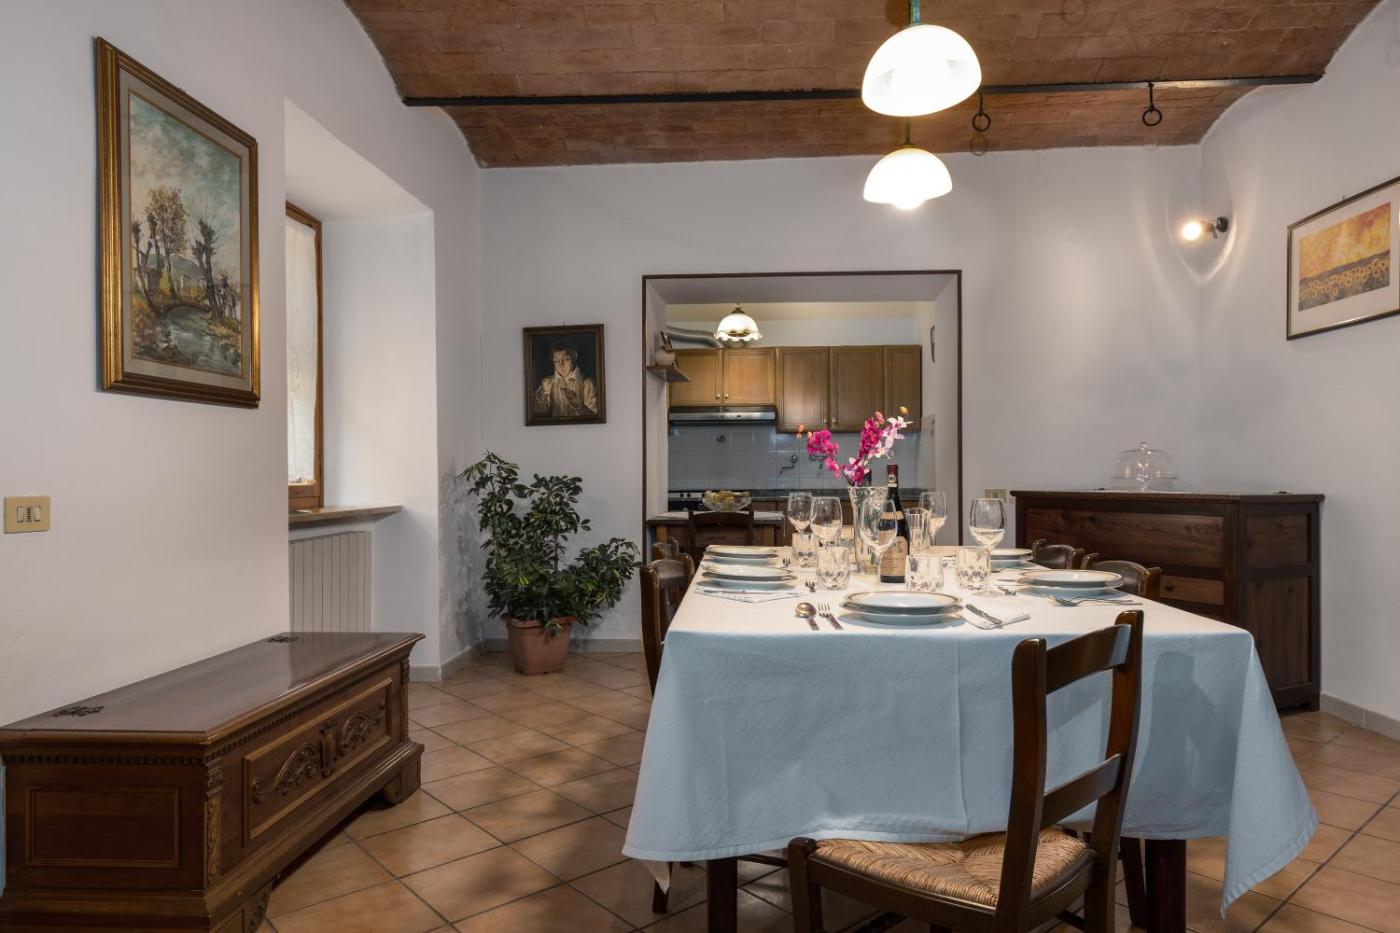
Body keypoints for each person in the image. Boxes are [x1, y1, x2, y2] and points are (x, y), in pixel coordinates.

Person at [533, 341, 598, 417]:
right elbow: (537, 411)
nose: (560, 364)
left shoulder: (587, 383)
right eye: (556, 361)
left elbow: (595, 416)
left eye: (566, 359)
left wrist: (580, 407)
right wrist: (543, 393)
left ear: (574, 359)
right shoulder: (548, 382)